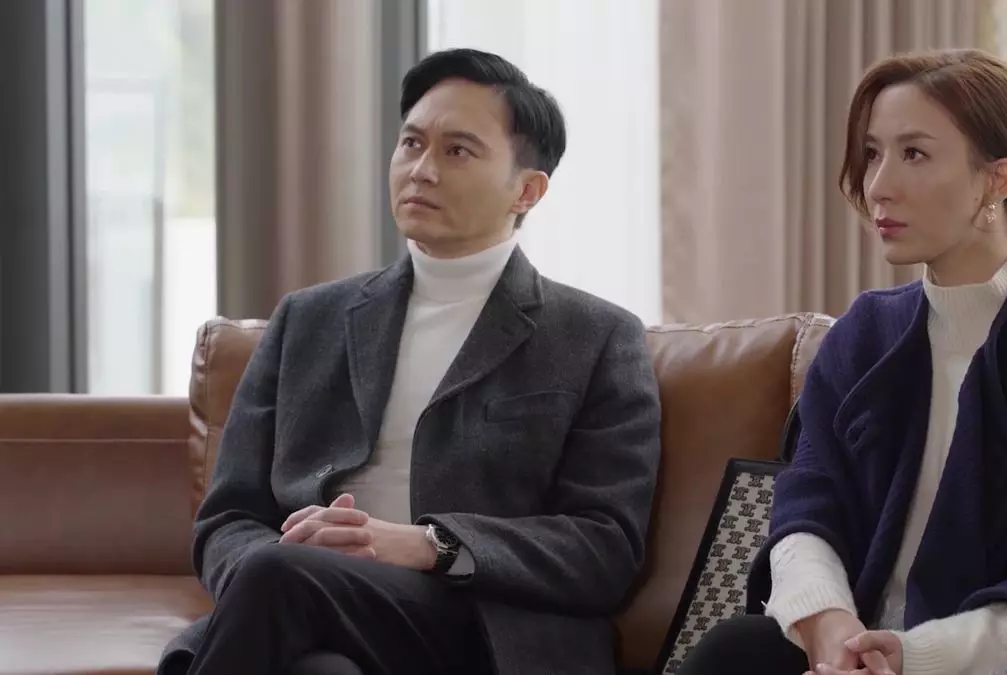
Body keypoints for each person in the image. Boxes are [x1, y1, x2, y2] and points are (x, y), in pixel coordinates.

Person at [157, 48, 662, 675]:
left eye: (458, 151)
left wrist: (429, 545)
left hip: (484, 627)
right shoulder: (307, 320)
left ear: (526, 190)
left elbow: (604, 548)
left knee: (283, 582)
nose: (421, 170)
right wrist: (280, 563)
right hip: (303, 603)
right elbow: (229, 518)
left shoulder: (595, 336)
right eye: (411, 143)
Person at [677, 48, 1007, 675]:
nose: (877, 185)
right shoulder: (866, 333)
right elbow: (807, 502)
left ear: (995, 180)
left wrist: (917, 655)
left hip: (991, 663)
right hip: (854, 649)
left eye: (913, 153)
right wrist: (831, 628)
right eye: (872, 153)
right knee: (733, 652)